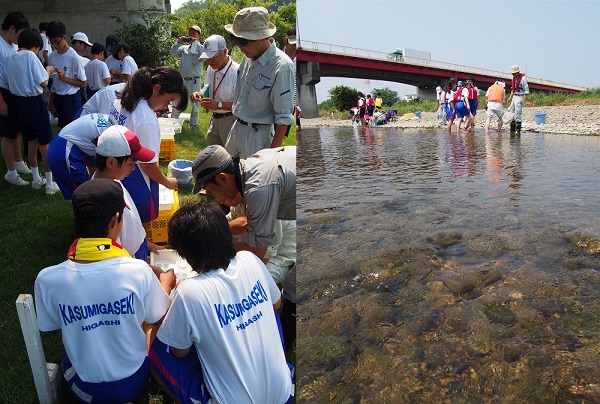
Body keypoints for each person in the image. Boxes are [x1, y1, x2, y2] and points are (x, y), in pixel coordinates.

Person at [34, 178, 175, 403]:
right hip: (134, 380)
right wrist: (166, 283)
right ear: (116, 220)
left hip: (85, 389)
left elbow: (59, 330)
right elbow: (159, 319)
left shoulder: (47, 279)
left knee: (66, 361)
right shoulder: (138, 271)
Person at [148, 200, 293, 404]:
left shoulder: (189, 291)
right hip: (284, 395)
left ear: (185, 254)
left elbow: (178, 352)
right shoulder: (251, 260)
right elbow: (276, 304)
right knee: (269, 309)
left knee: (154, 343)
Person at [108, 66, 186, 223]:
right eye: (168, 101)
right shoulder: (146, 118)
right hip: (133, 174)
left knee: (120, 215)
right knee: (136, 217)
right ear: (156, 88)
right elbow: (147, 165)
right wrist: (167, 182)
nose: (166, 107)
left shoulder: (124, 98)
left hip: (114, 168)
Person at [191, 144, 296, 261]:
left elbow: (256, 255)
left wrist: (212, 249)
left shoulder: (258, 190)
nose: (218, 199)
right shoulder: (247, 172)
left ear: (223, 178)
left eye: (212, 191)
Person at [224, 6, 295, 158]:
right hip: (236, 128)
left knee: (251, 180)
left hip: (258, 137)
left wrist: (269, 157)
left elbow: (284, 119)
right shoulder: (248, 56)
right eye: (237, 41)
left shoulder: (282, 66)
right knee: (225, 176)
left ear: (262, 37)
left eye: (244, 42)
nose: (241, 48)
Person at [92, 125, 162, 260]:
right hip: (128, 262)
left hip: (137, 250)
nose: (134, 169)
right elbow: (111, 251)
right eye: (131, 163)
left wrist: (144, 243)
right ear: (111, 162)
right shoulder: (103, 202)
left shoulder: (115, 181)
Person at [5, 28, 60, 194]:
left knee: (30, 141)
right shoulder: (30, 56)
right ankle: (50, 183)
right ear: (35, 46)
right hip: (34, 103)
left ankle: (36, 179)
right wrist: (49, 70)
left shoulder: (10, 58)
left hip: (19, 103)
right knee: (44, 143)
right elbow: (43, 82)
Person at [47, 113, 113, 199]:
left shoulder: (110, 122)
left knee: (89, 194)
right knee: (86, 196)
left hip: (64, 144)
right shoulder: (110, 134)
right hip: (65, 150)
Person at [0, 10, 31, 186]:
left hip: (13, 92)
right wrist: (1, 101)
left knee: (16, 130)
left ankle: (19, 162)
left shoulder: (13, 46)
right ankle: (11, 172)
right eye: (21, 33)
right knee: (9, 134)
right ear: (12, 28)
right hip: (3, 93)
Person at [190, 34, 238, 146]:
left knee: (230, 157)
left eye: (213, 57)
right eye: (207, 57)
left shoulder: (237, 72)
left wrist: (218, 105)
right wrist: (199, 94)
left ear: (225, 52)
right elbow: (207, 87)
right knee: (213, 155)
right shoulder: (211, 68)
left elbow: (241, 106)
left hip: (230, 120)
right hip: (214, 119)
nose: (210, 61)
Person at [46, 20, 87, 128]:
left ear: (64, 38)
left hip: (71, 99)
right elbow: (53, 83)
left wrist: (65, 79)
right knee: (62, 131)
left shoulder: (73, 57)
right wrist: (51, 102)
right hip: (58, 98)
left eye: (57, 42)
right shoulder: (52, 56)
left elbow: (83, 84)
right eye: (51, 42)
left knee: (73, 130)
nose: (55, 45)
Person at [170, 25, 204, 129]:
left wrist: (195, 43)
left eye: (194, 34)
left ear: (199, 36)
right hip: (183, 80)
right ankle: (173, 123)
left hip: (195, 81)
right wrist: (178, 43)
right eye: (189, 34)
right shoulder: (184, 48)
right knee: (177, 101)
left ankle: (193, 125)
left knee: (195, 105)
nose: (191, 36)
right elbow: (173, 53)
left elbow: (204, 55)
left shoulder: (201, 48)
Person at [507, 64, 529, 134]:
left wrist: (524, 99)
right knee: (511, 112)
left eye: (514, 73)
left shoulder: (523, 79)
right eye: (512, 73)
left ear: (517, 72)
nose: (513, 74)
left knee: (517, 113)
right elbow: (512, 89)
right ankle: (512, 130)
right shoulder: (513, 79)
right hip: (514, 96)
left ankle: (518, 131)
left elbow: (526, 89)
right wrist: (510, 97)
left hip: (520, 96)